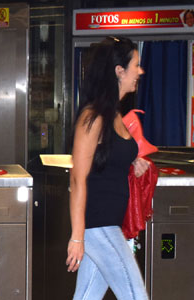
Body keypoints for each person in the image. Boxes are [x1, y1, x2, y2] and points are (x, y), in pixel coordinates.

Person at [67, 36, 150, 300]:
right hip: (97, 226)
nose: (140, 71)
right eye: (136, 65)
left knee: (86, 296)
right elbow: (78, 179)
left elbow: (107, 162)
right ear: (119, 71)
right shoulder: (92, 117)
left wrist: (132, 162)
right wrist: (77, 237)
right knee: (136, 296)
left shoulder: (113, 114)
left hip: (106, 225)